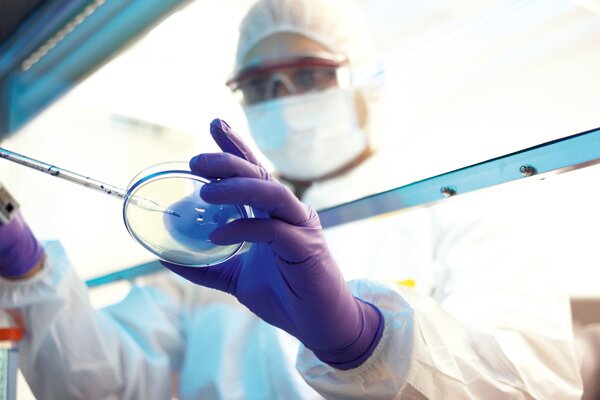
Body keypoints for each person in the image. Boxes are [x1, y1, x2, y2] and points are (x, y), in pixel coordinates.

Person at [0, 0, 584, 398]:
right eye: (259, 85)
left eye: (307, 75)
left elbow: (537, 382)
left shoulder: (458, 206)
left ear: (365, 83)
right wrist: (28, 268)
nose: (281, 98)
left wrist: (367, 341)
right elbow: (106, 385)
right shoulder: (222, 229)